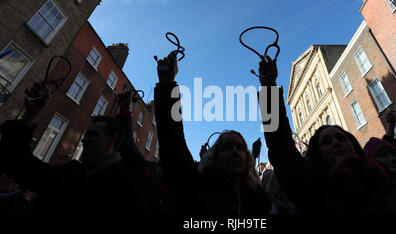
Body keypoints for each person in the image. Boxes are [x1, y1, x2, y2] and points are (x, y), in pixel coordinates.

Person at [255, 56, 396, 214]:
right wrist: (268, 86)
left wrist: (393, 129)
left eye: (341, 138)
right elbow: (281, 146)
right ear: (317, 155)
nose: (336, 143)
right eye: (326, 142)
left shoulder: (384, 178)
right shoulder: (314, 191)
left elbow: (387, 151)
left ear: (354, 145)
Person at [0, 82, 149, 215]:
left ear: (112, 138)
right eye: (86, 134)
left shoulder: (126, 186)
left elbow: (129, 146)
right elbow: (20, 165)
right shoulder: (71, 172)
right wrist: (31, 115)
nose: (84, 139)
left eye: (92, 135)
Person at [153, 52, 270, 214]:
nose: (235, 151)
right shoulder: (197, 189)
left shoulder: (260, 201)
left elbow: (282, 148)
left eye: (240, 147)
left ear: (248, 159)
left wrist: (269, 85)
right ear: (214, 157)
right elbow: (173, 144)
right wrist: (167, 84)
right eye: (227, 147)